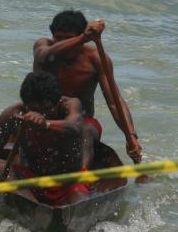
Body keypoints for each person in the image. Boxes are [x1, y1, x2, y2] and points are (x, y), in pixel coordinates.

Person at [0, 71, 88, 232]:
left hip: (69, 181)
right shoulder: (13, 115)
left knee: (81, 205)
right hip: (32, 182)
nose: (37, 114)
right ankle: (38, 211)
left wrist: (45, 123)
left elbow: (75, 126)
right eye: (33, 109)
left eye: (46, 110)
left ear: (57, 103)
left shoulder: (70, 105)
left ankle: (47, 213)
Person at [33, 10, 142, 167]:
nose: (61, 43)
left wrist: (130, 136)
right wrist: (83, 37)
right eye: (58, 38)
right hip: (43, 119)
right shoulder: (43, 47)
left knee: (88, 131)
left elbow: (114, 102)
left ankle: (82, 175)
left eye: (69, 38)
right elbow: (45, 55)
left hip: (81, 122)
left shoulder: (96, 59)